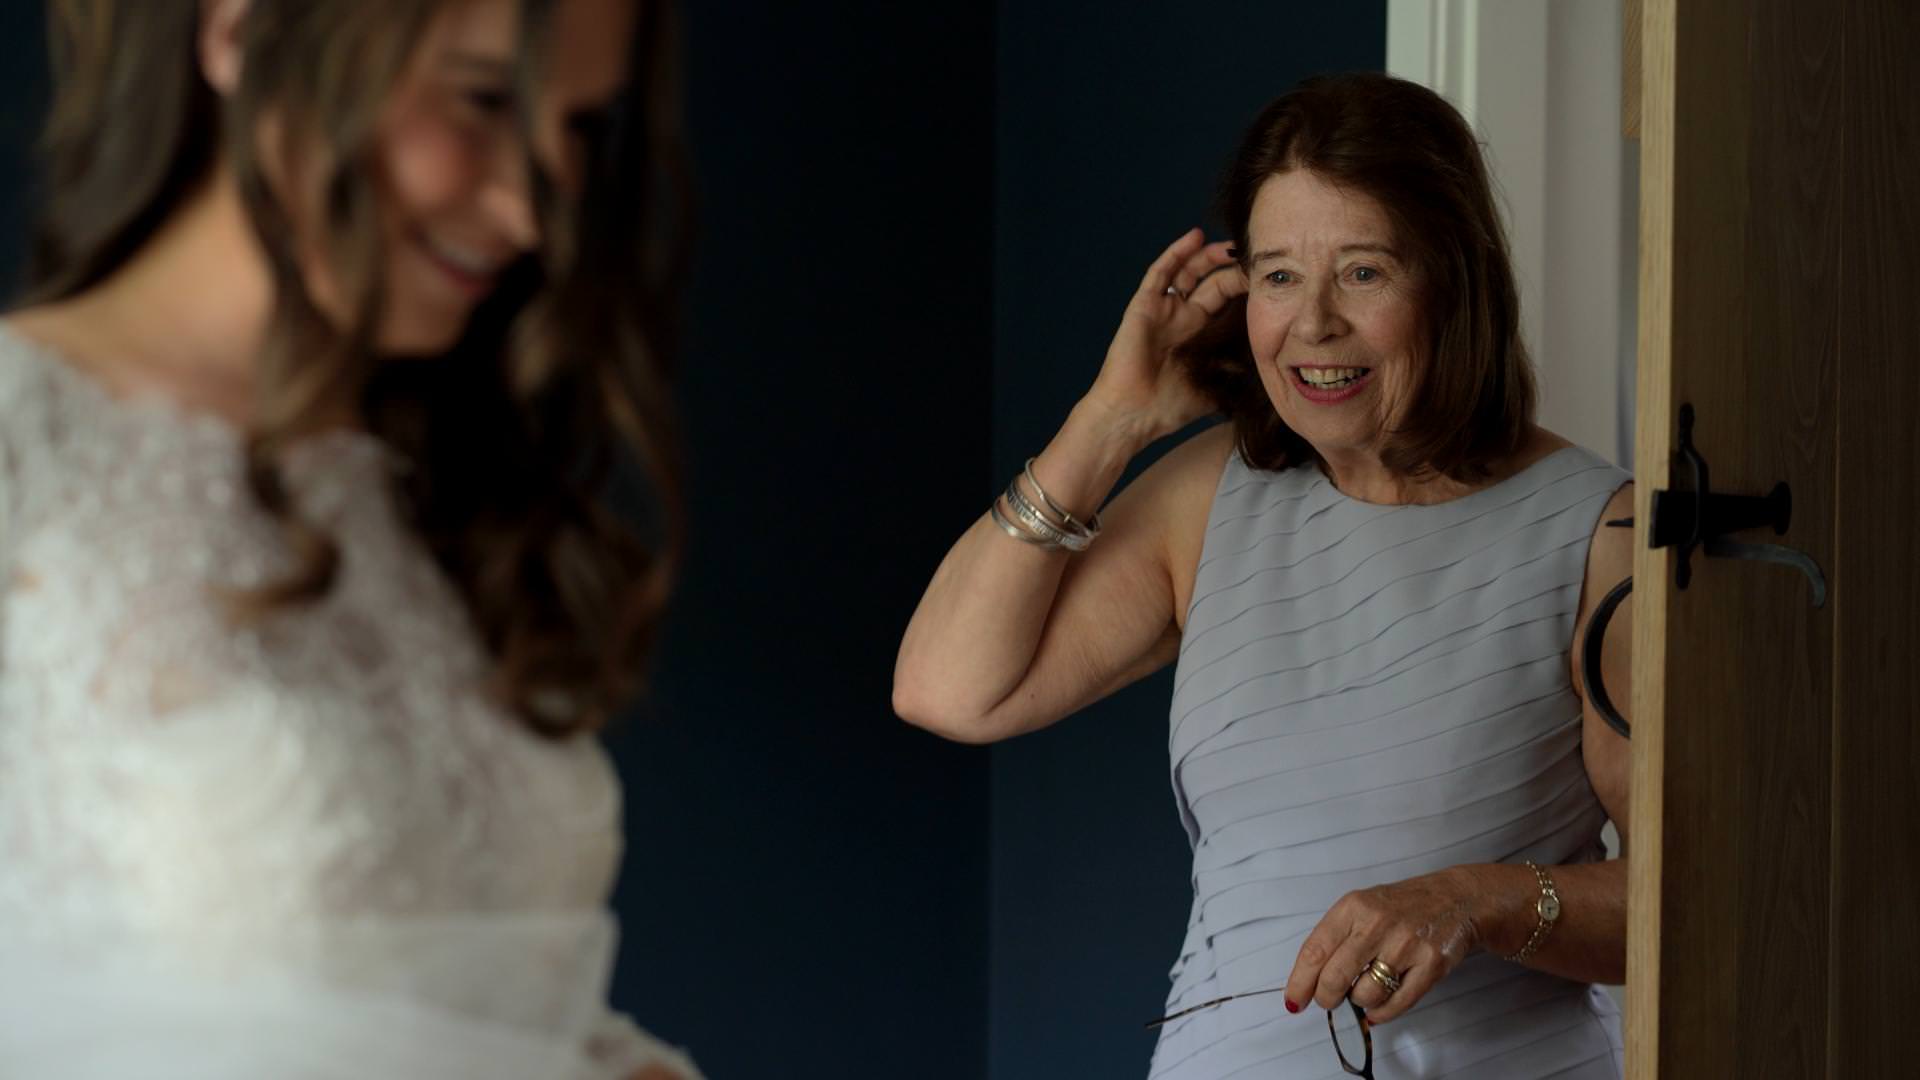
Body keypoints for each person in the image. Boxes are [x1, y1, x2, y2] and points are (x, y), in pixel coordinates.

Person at [0, 1, 699, 1077]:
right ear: (240, 30)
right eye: (481, 98)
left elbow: (498, 1028)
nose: (529, 204)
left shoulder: (432, 485)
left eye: (576, 128)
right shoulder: (22, 446)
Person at [896, 72, 1631, 1079]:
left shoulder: (1603, 532)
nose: (1314, 323)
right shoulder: (1215, 496)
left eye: (1365, 273)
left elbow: (1686, 907)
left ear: (1455, 282)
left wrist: (1476, 900)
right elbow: (948, 689)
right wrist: (1113, 418)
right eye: (1280, 276)